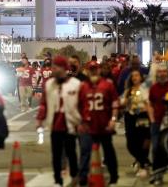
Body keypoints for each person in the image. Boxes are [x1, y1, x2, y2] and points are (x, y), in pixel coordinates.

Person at [36, 56, 81, 187]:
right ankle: (58, 180)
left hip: (70, 124)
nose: (53, 69)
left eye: (56, 67)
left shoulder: (75, 84)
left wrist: (83, 121)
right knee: (56, 155)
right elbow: (44, 104)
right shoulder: (49, 84)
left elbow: (82, 104)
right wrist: (40, 119)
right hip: (55, 125)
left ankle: (74, 175)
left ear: (63, 68)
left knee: (71, 152)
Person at [78, 62, 120, 186]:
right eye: (91, 69)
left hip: (104, 125)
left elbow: (115, 104)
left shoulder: (107, 85)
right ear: (87, 70)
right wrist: (80, 122)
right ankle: (83, 177)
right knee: (85, 151)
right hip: (88, 125)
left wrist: (113, 119)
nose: (93, 71)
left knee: (108, 151)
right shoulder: (83, 86)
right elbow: (78, 106)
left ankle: (114, 176)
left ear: (99, 69)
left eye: (95, 69)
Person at [147, 63, 168, 185]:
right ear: (157, 73)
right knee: (155, 148)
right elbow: (150, 104)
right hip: (156, 123)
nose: (162, 73)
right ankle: (156, 175)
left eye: (164, 71)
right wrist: (152, 118)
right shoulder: (154, 88)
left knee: (167, 149)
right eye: (160, 72)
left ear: (167, 72)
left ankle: (163, 172)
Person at [121, 69, 151, 177]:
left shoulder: (145, 89)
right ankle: (144, 161)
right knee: (131, 143)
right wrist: (124, 101)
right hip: (130, 117)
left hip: (142, 116)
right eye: (133, 76)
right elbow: (122, 102)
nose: (134, 78)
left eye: (137, 75)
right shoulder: (128, 90)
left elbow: (148, 103)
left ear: (141, 77)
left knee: (143, 141)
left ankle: (142, 165)